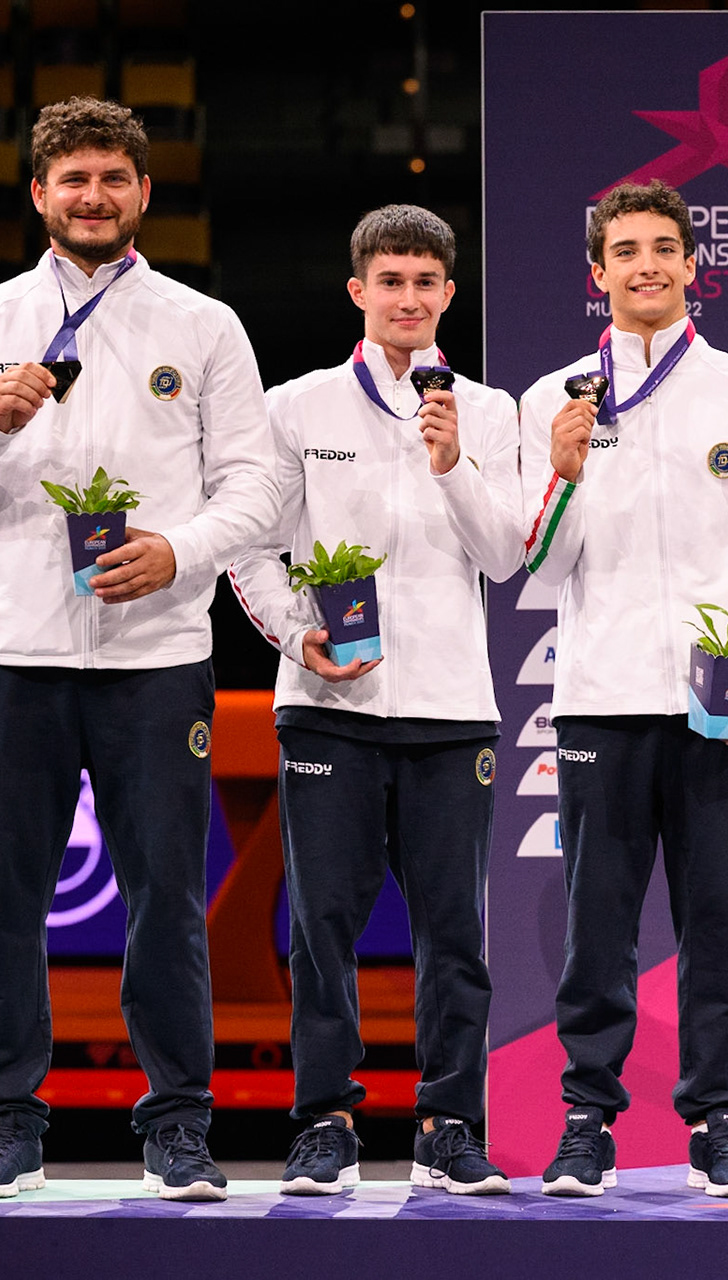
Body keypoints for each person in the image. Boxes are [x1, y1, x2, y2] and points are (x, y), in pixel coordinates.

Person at [0, 97, 278, 1200]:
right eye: (74, 180)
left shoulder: (204, 326)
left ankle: (179, 1126)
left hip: (154, 654)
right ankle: (6, 1117)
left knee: (166, 890)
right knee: (0, 894)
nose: (94, 195)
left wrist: (179, 547)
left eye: (114, 177)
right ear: (39, 196)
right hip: (11, 649)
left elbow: (257, 486)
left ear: (145, 192)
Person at [518, 179, 728, 1198]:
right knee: (595, 921)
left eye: (663, 248)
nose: (645, 265)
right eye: (624, 251)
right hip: (599, 695)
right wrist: (557, 474)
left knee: (716, 917)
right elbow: (539, 570)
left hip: (717, 701)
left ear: (694, 265)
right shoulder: (554, 397)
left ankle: (719, 1118)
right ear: (597, 274)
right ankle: (586, 1119)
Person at [226, 205, 522, 1197]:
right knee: (323, 923)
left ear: (448, 292)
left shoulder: (489, 411)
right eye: (389, 281)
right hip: (326, 703)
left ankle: (450, 1122)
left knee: (454, 932)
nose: (408, 298)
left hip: (450, 707)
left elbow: (506, 553)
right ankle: (324, 1120)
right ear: (358, 290)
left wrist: (452, 464)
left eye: (425, 282)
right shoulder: (297, 405)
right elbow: (247, 543)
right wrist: (296, 634)